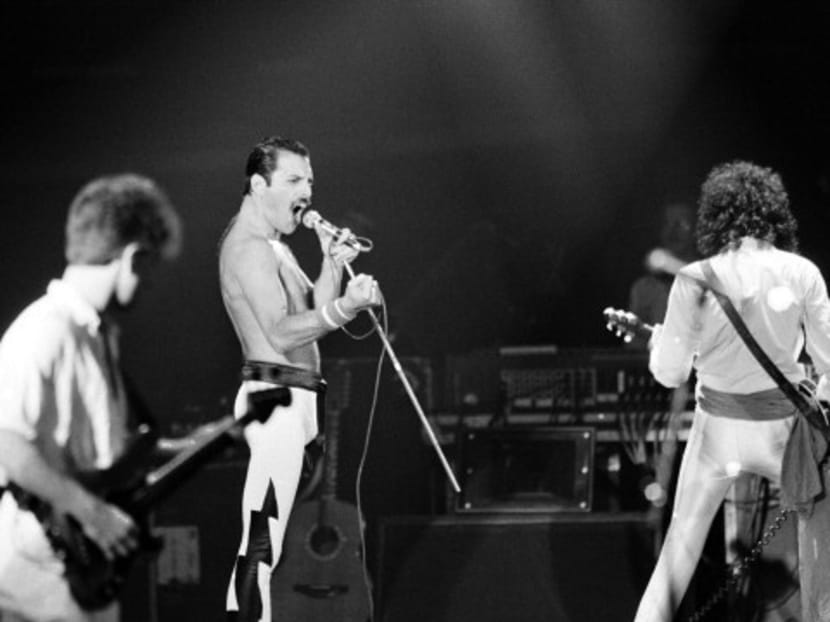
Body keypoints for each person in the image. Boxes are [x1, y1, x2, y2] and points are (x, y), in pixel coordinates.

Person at [632, 160, 830, 622]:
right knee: (820, 550)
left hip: (716, 434)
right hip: (783, 432)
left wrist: (663, 343)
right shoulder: (802, 273)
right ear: (775, 215)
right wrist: (817, 411)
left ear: (716, 216)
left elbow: (670, 374)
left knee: (677, 555)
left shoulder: (695, 277)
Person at [0, 174, 182, 622]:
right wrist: (92, 513)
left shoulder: (95, 335)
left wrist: (213, 439)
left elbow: (110, 459)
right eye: (150, 266)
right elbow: (6, 441)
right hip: (37, 574)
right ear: (132, 257)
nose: (150, 283)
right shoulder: (46, 328)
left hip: (76, 573)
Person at [219, 136, 380, 622]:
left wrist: (331, 263)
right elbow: (283, 333)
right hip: (275, 399)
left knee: (271, 540)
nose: (306, 191)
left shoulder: (276, 247)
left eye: (309, 180)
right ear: (258, 184)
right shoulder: (248, 249)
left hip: (299, 402)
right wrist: (345, 307)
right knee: (261, 542)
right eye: (293, 180)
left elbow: (312, 309)